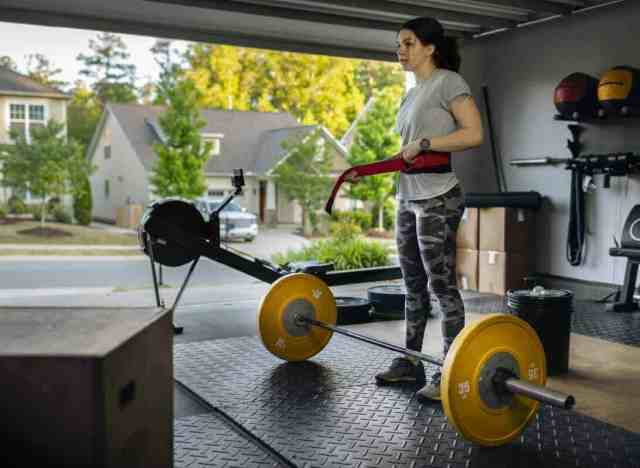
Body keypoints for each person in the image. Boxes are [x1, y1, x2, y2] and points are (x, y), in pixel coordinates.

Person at [357, 17, 484, 402]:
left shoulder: (449, 82)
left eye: (409, 43)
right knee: (411, 285)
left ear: (430, 47)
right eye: (399, 43)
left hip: (439, 196)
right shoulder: (410, 94)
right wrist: (368, 171)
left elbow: (473, 134)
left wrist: (427, 142)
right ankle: (410, 362)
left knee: (441, 285)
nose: (401, 50)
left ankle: (451, 370)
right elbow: (410, 150)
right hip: (408, 197)